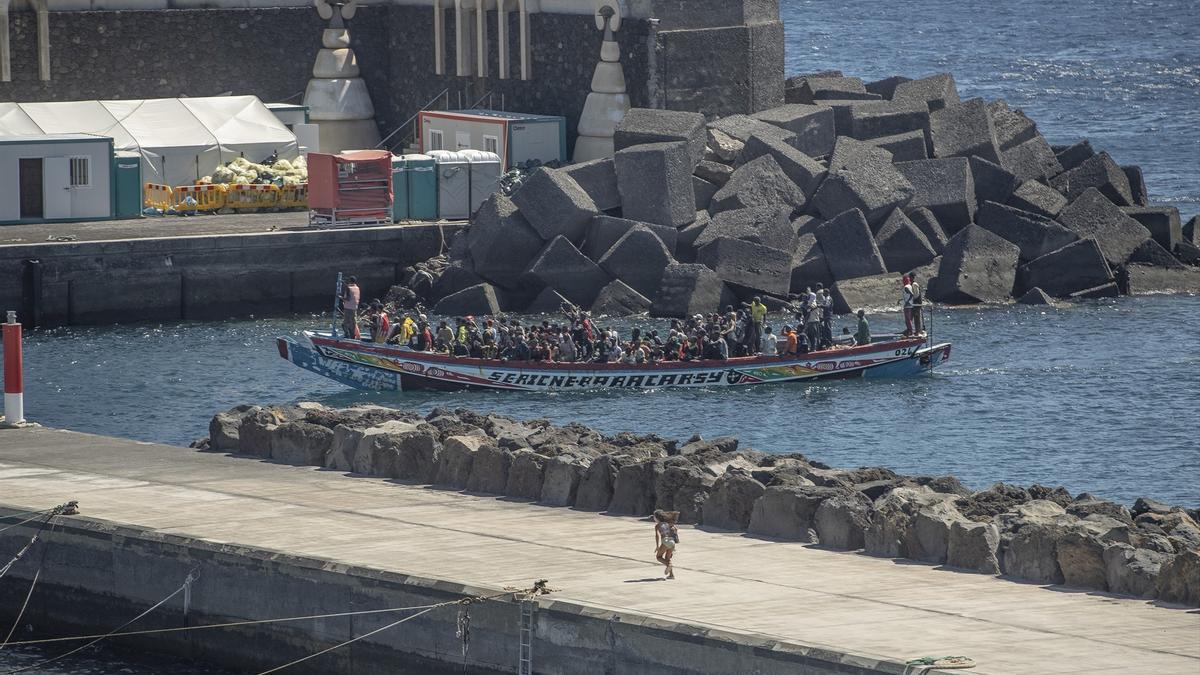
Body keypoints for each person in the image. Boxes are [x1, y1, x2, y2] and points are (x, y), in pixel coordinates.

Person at [653, 509, 679, 579]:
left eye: (654, 517)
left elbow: (657, 536)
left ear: (657, 518)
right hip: (672, 542)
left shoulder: (657, 525)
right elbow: (675, 530)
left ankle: (669, 565)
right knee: (667, 558)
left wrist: (657, 546)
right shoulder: (669, 524)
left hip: (666, 541)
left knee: (658, 557)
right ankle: (671, 575)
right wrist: (674, 546)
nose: (654, 518)